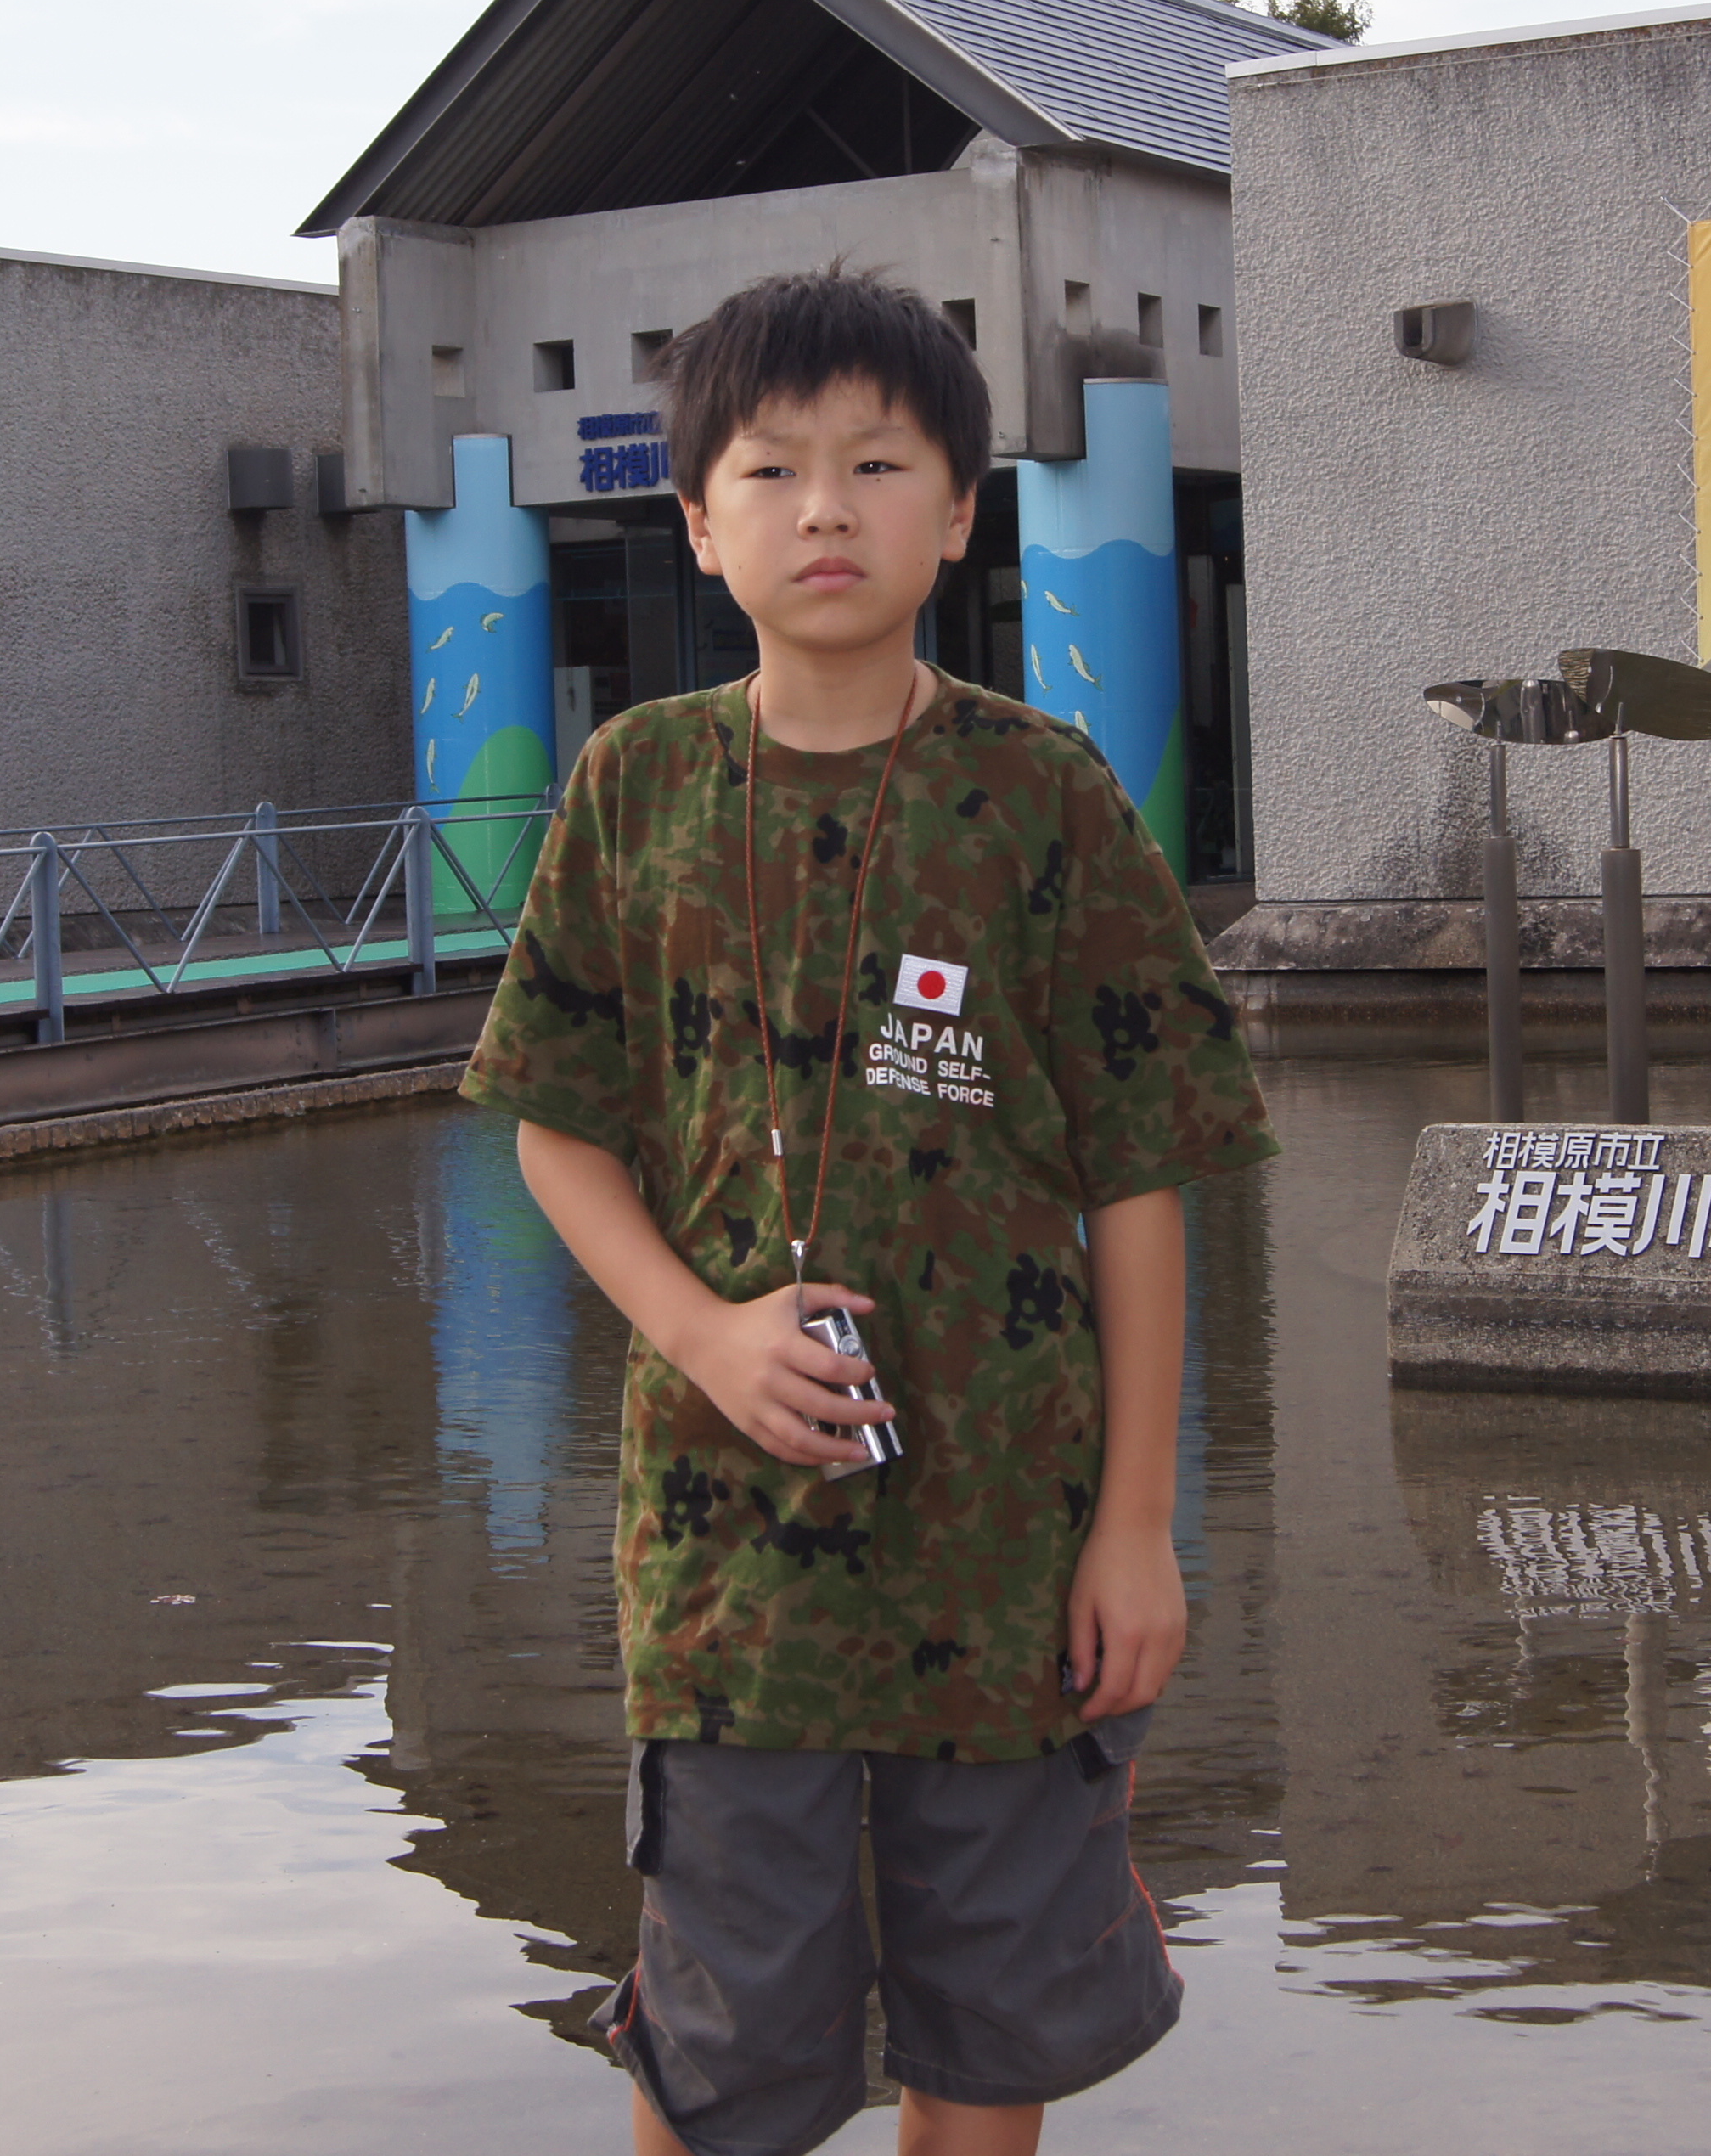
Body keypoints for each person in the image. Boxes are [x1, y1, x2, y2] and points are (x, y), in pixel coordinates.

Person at [462, 267, 1275, 2156]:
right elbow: (555, 1130)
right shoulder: (636, 785)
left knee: (986, 2047)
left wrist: (1137, 1529)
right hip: (726, 1561)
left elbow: (1136, 1178)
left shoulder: (1044, 797)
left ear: (960, 511)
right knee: (716, 2051)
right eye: (770, 468)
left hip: (1010, 1551)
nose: (824, 508)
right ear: (697, 519)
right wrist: (700, 1333)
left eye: (877, 463)